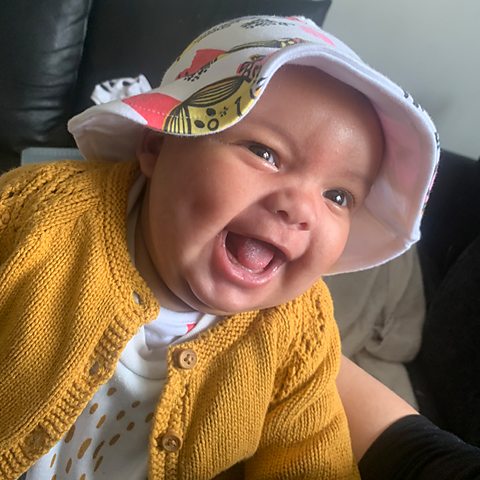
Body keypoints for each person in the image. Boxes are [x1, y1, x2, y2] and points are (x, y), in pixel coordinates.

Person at [0, 14, 475, 480]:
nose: (300, 207)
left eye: (338, 196)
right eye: (264, 153)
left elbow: (310, 452)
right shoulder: (39, 213)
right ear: (159, 144)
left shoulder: (298, 330)